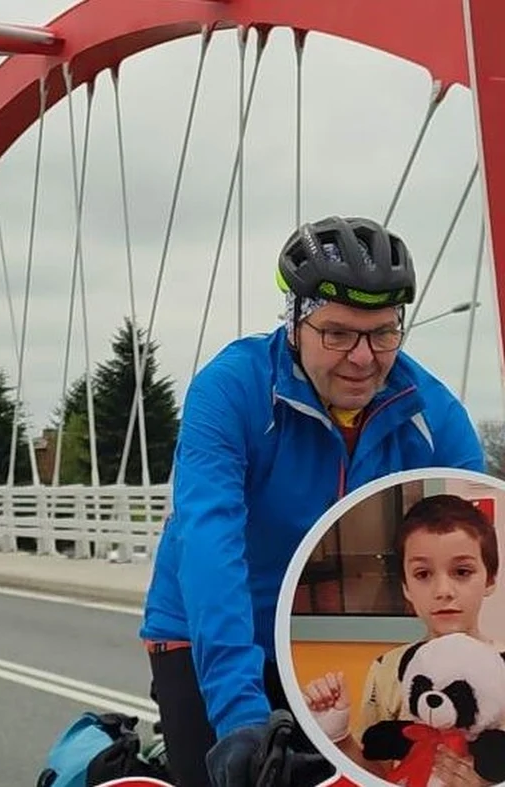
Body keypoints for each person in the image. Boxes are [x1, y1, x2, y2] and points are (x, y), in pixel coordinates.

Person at [137, 215, 487, 787]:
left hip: (326, 635)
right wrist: (240, 719)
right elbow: (209, 542)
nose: (363, 357)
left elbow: (481, 541)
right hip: (218, 621)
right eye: (338, 333)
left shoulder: (432, 411)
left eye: (383, 333)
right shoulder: (231, 390)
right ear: (294, 321)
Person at [303, 493, 503, 785]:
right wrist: (338, 736)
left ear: (489, 579)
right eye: (423, 574)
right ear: (406, 588)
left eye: (462, 571)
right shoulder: (388, 669)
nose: (443, 590)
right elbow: (376, 775)